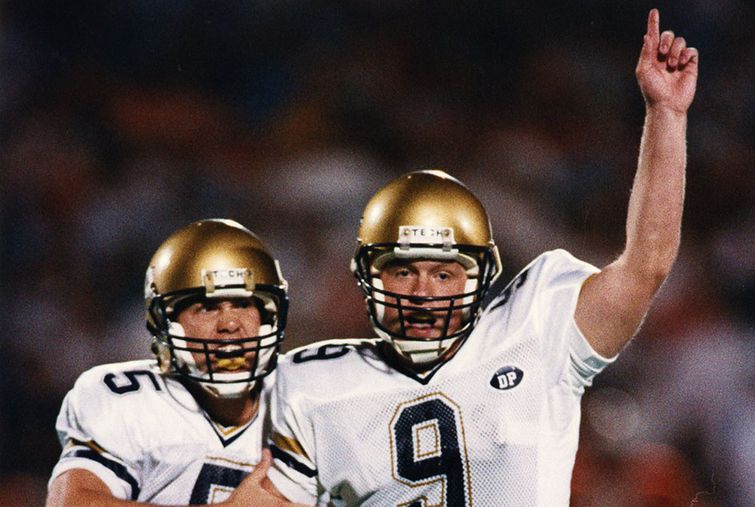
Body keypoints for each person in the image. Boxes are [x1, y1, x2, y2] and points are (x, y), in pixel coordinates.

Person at [266, 8, 698, 506]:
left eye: (444, 272)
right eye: (403, 270)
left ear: (481, 275)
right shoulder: (313, 384)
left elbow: (646, 266)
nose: (423, 292)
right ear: (368, 277)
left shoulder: (535, 332)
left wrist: (666, 116)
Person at [47, 219, 302, 506]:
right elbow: (70, 503)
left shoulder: (309, 399)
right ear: (166, 323)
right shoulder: (128, 399)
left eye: (243, 304)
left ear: (269, 317)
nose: (230, 323)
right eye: (206, 307)